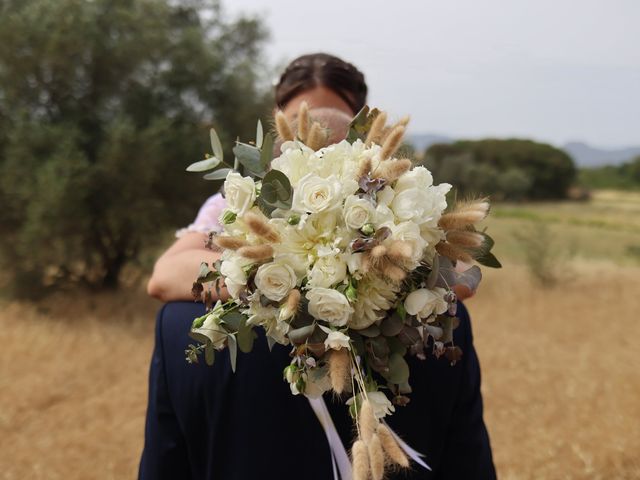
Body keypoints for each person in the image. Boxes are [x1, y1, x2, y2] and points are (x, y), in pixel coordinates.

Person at [139, 53, 496, 479]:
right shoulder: (230, 209)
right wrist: (288, 280)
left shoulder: (180, 329)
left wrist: (354, 271)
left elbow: (166, 464)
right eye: (298, 122)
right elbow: (166, 274)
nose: (315, 137)